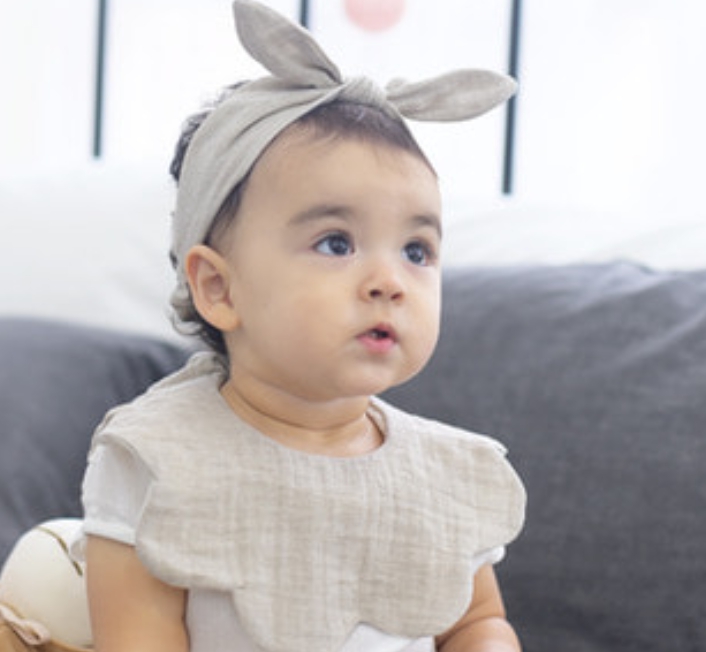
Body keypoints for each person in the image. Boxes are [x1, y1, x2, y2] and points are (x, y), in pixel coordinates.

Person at [77, 1, 526, 651]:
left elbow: (477, 622)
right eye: (336, 243)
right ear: (219, 288)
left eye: (416, 250)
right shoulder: (159, 459)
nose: (389, 281)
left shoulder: (445, 474)